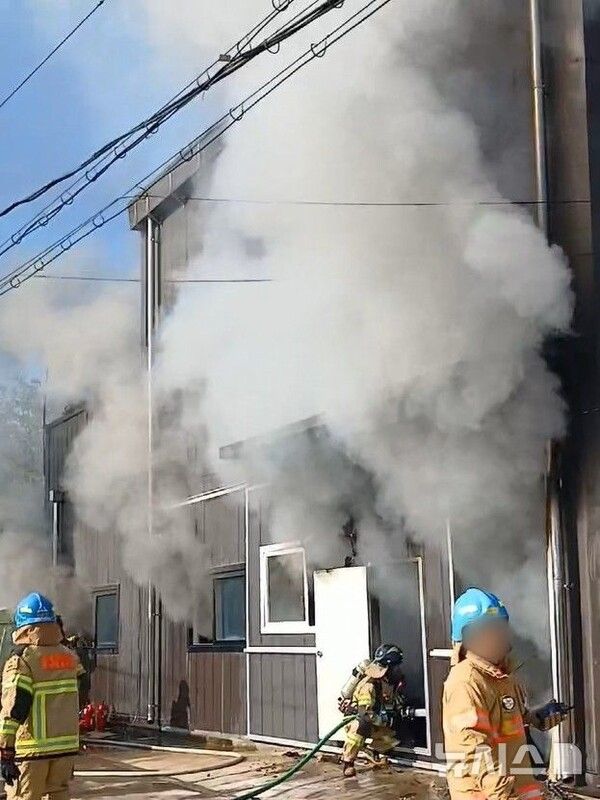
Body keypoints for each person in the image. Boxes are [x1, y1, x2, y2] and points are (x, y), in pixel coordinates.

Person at [442, 588, 569, 800]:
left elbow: (508, 719)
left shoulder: (502, 677)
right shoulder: (465, 682)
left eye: (501, 626)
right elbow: (474, 750)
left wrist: (536, 718)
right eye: (491, 629)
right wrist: (503, 795)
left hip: (518, 786)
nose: (501, 635)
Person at [0, 593, 84, 800]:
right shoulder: (70, 657)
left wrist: (5, 750)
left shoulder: (22, 661)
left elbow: (14, 708)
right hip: (65, 749)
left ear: (24, 627)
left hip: (32, 751)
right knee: (59, 795)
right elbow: (80, 691)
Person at [339, 643, 409, 777]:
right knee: (359, 730)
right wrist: (385, 721)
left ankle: (371, 750)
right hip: (359, 719)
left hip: (375, 720)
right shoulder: (369, 686)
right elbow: (365, 714)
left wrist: (399, 710)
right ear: (388, 668)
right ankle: (348, 762)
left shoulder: (388, 682)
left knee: (392, 740)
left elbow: (394, 700)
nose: (398, 670)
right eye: (396, 667)